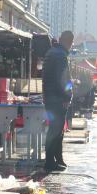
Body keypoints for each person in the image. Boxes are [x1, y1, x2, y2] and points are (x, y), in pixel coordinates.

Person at [43, 30, 74, 172]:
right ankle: (50, 161)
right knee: (56, 131)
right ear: (69, 42)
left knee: (54, 130)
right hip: (58, 98)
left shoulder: (51, 52)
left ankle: (56, 159)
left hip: (49, 97)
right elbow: (64, 79)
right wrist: (67, 96)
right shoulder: (61, 56)